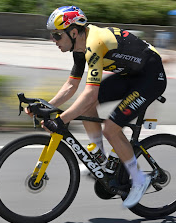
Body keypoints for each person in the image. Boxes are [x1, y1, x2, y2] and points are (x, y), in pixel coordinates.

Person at [27, 6, 167, 208]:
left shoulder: (94, 43)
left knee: (111, 128)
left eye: (57, 36)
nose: (54, 41)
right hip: (129, 75)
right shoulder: (79, 47)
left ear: (73, 32)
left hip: (150, 78)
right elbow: (71, 85)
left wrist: (61, 120)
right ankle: (99, 156)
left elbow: (90, 93)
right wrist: (45, 105)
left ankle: (139, 179)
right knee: (85, 106)